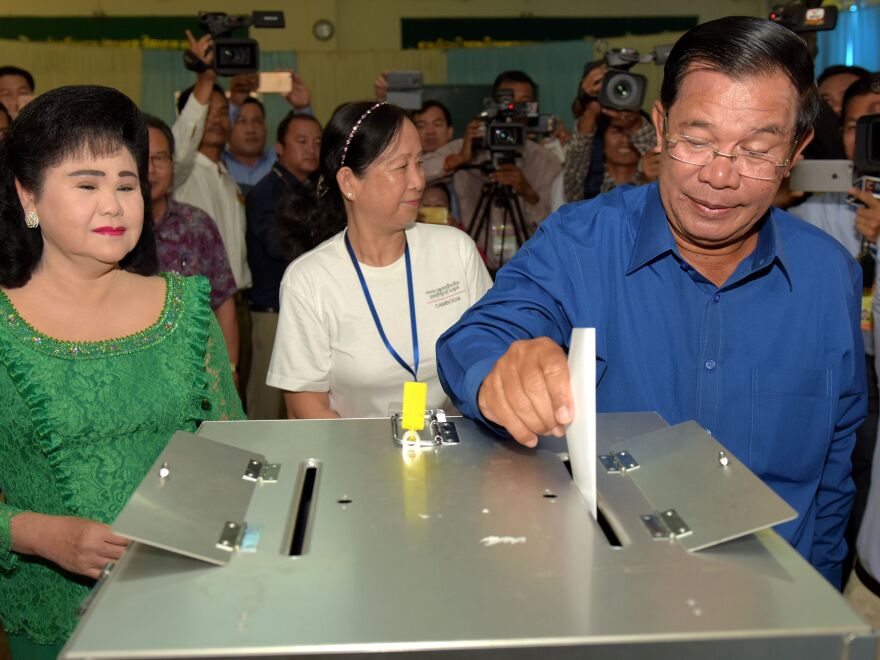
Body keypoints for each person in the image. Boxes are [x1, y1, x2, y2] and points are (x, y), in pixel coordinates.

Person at [437, 16, 865, 589]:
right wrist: (502, 371)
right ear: (660, 128)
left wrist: (820, 602)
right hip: (611, 592)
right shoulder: (582, 242)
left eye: (756, 150)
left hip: (772, 599)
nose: (718, 176)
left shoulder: (826, 274)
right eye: (697, 141)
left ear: (796, 150)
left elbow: (835, 465)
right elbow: (479, 335)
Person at [0, 85, 243, 658]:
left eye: (126, 184)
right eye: (87, 184)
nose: (113, 204)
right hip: (56, 618)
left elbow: (236, 454)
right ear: (27, 196)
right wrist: (38, 533)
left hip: (192, 599)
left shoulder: (184, 311)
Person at [267, 101, 492, 419]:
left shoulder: (456, 251)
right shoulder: (309, 280)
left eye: (419, 163)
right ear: (348, 183)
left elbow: (492, 351)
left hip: (457, 453)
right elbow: (306, 405)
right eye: (401, 167)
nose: (418, 180)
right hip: (356, 457)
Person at [426, 71, 562, 269]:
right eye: (508, 101)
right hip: (471, 266)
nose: (514, 110)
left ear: (534, 108)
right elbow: (413, 174)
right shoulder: (469, 147)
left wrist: (528, 193)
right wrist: (459, 159)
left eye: (524, 102)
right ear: (492, 106)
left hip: (528, 269)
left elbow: (558, 232)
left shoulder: (546, 161)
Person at [146, 114, 240, 375]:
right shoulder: (107, 230)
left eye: (159, 158)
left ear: (173, 164)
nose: (150, 169)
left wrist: (230, 369)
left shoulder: (197, 225)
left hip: (195, 372)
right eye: (142, 157)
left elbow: (223, 301)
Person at [245, 112, 322, 420]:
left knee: (306, 400)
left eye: (317, 142)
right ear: (279, 147)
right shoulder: (266, 193)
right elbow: (280, 246)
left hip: (309, 310)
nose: (311, 149)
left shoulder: (315, 188)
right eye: (301, 141)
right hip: (272, 311)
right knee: (266, 405)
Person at [172, 30, 251, 293]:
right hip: (198, 302)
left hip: (238, 300)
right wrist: (206, 78)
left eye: (222, 113)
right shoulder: (181, 170)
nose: (217, 120)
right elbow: (183, 141)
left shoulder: (227, 177)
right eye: (208, 113)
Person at [563, 60, 659, 202]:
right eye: (617, 130)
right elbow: (576, 161)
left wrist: (633, 122)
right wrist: (590, 107)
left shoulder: (653, 179)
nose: (625, 139)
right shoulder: (587, 183)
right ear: (602, 139)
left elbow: (659, 153)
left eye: (631, 132)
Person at [223, 97, 274, 194]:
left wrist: (303, 108)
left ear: (265, 128)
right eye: (242, 121)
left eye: (257, 121)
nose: (250, 129)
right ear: (228, 130)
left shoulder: (280, 160)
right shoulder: (218, 163)